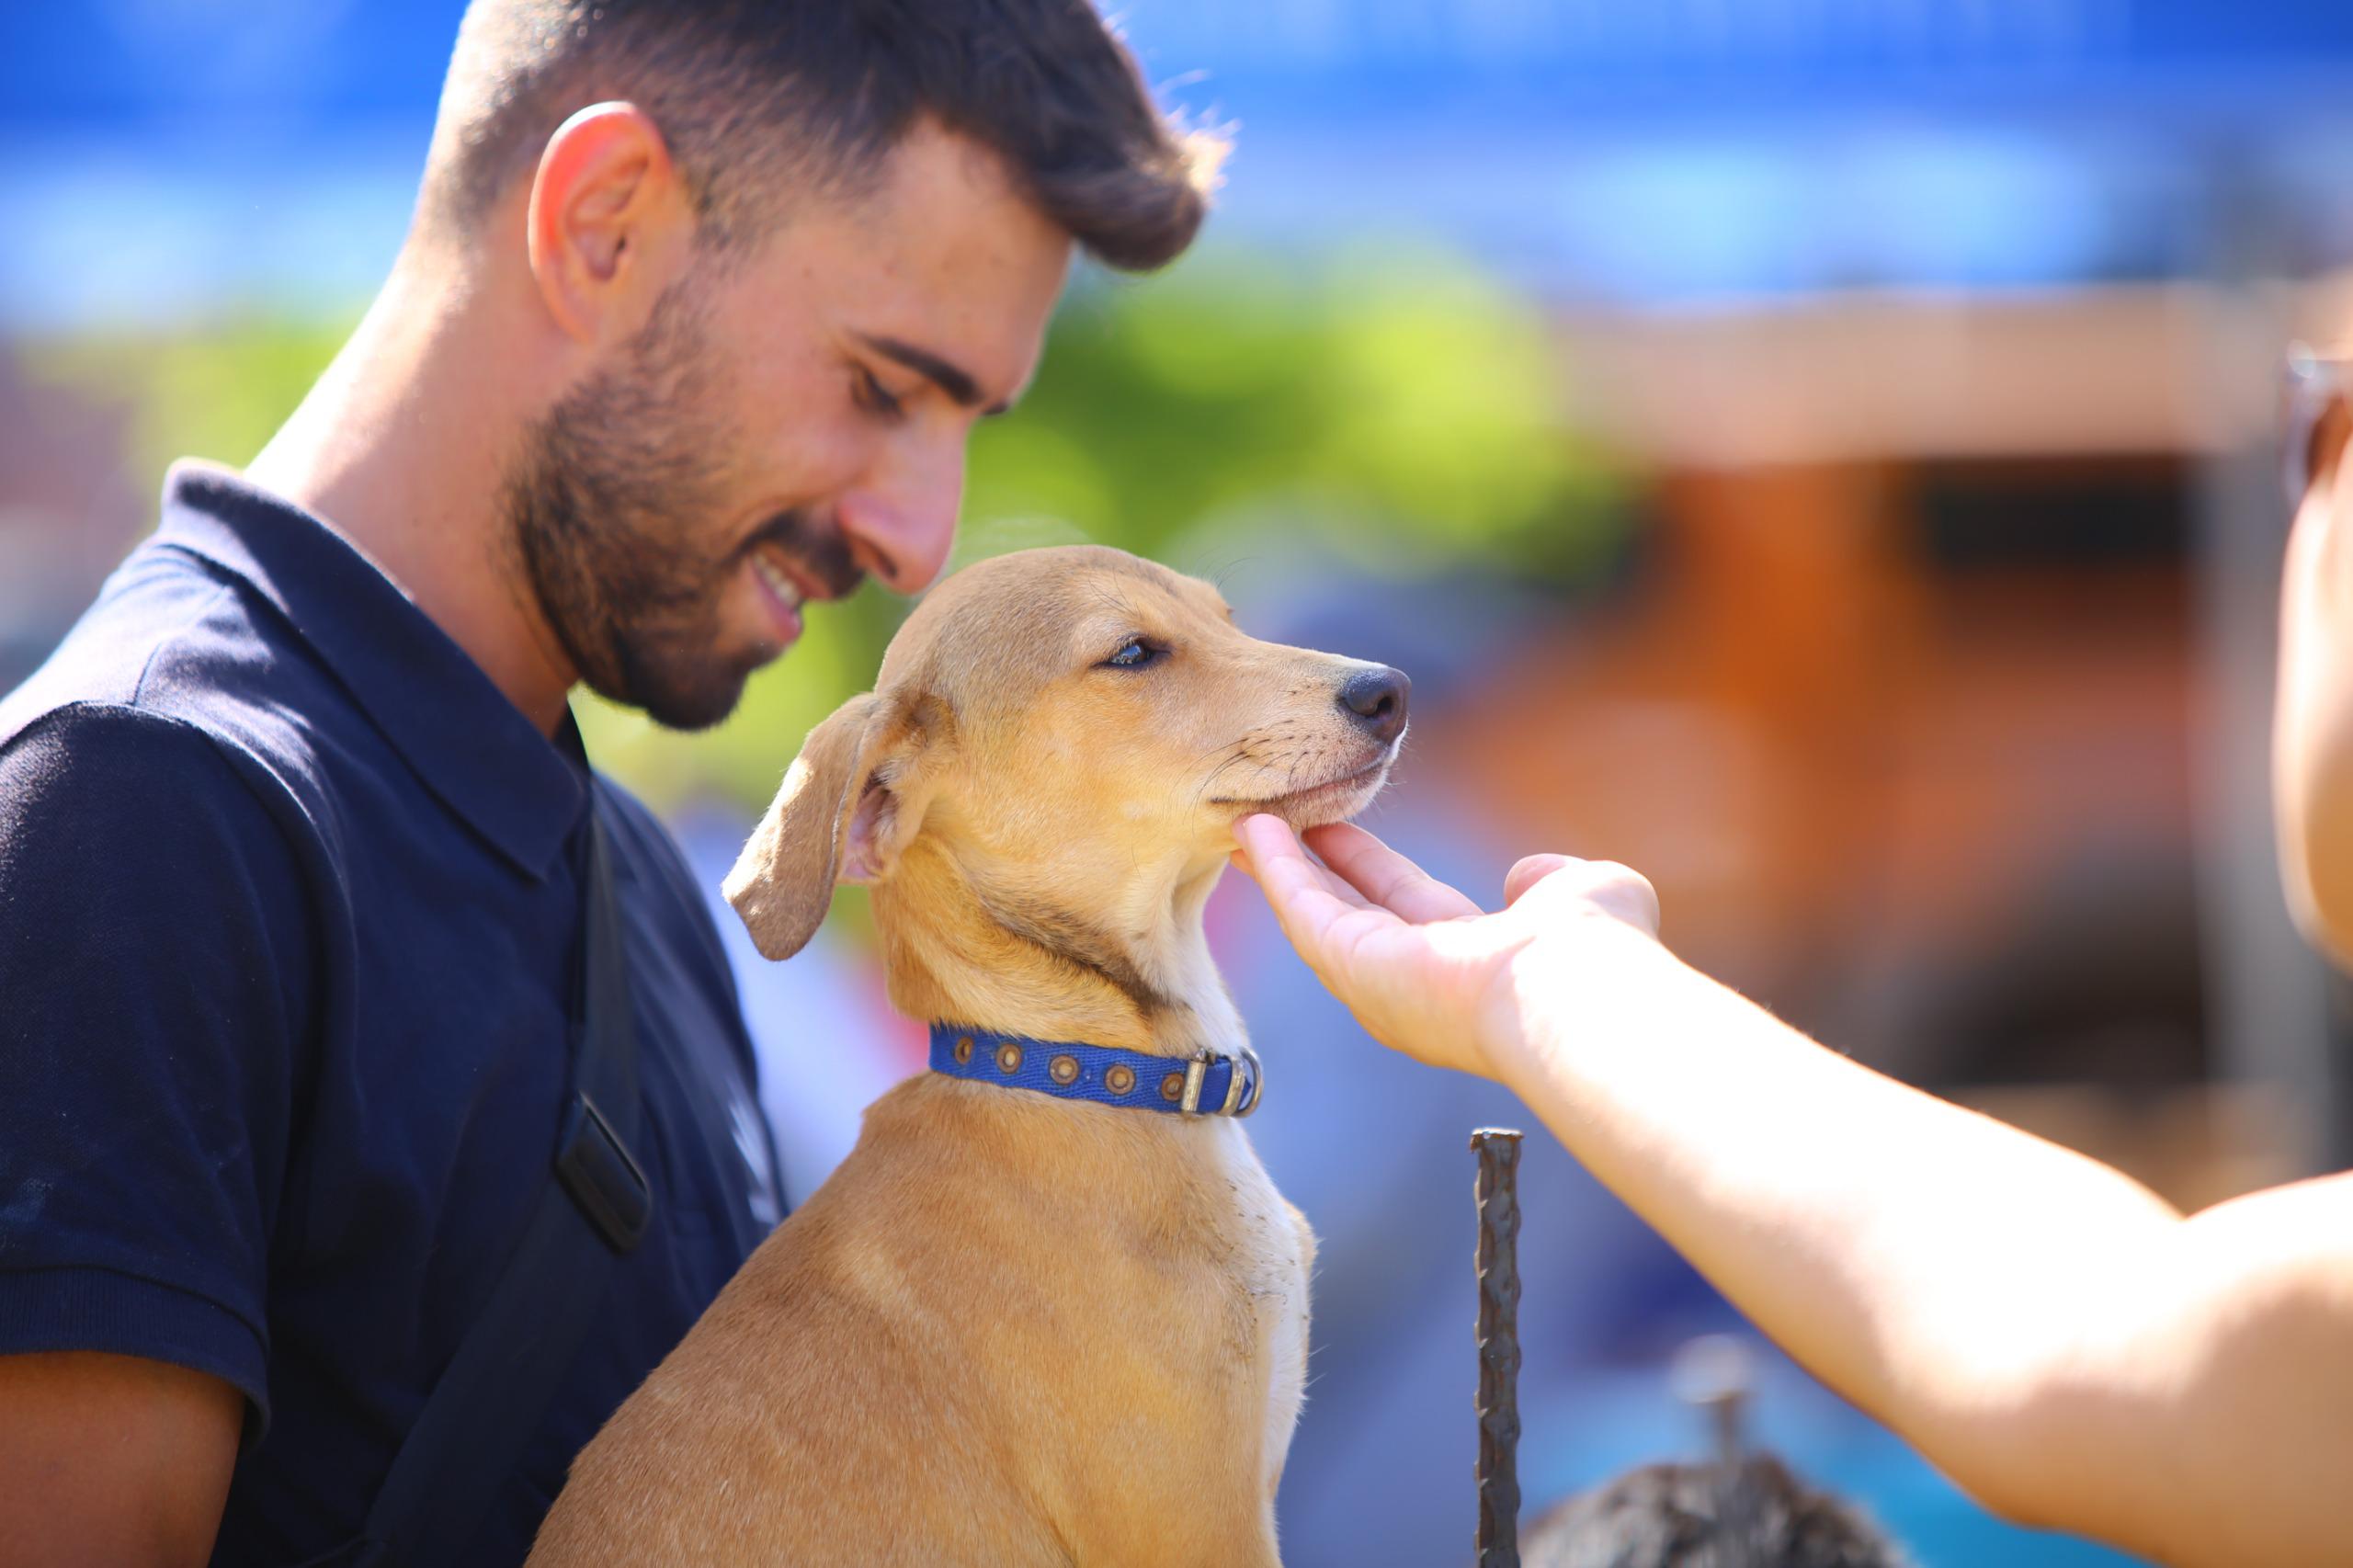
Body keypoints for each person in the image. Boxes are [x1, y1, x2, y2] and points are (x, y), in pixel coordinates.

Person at [0, 4, 1216, 1564]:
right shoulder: (140, 815)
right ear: (603, 223)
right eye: (881, 387)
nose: (923, 535)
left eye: (967, 421)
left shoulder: (640, 885)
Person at [1230, 358, 2353, 1568]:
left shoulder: (1385, 883)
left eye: (2324, 422)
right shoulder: (1432, 883)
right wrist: (1556, 983)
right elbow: (2092, 1334)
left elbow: (2085, 1340)